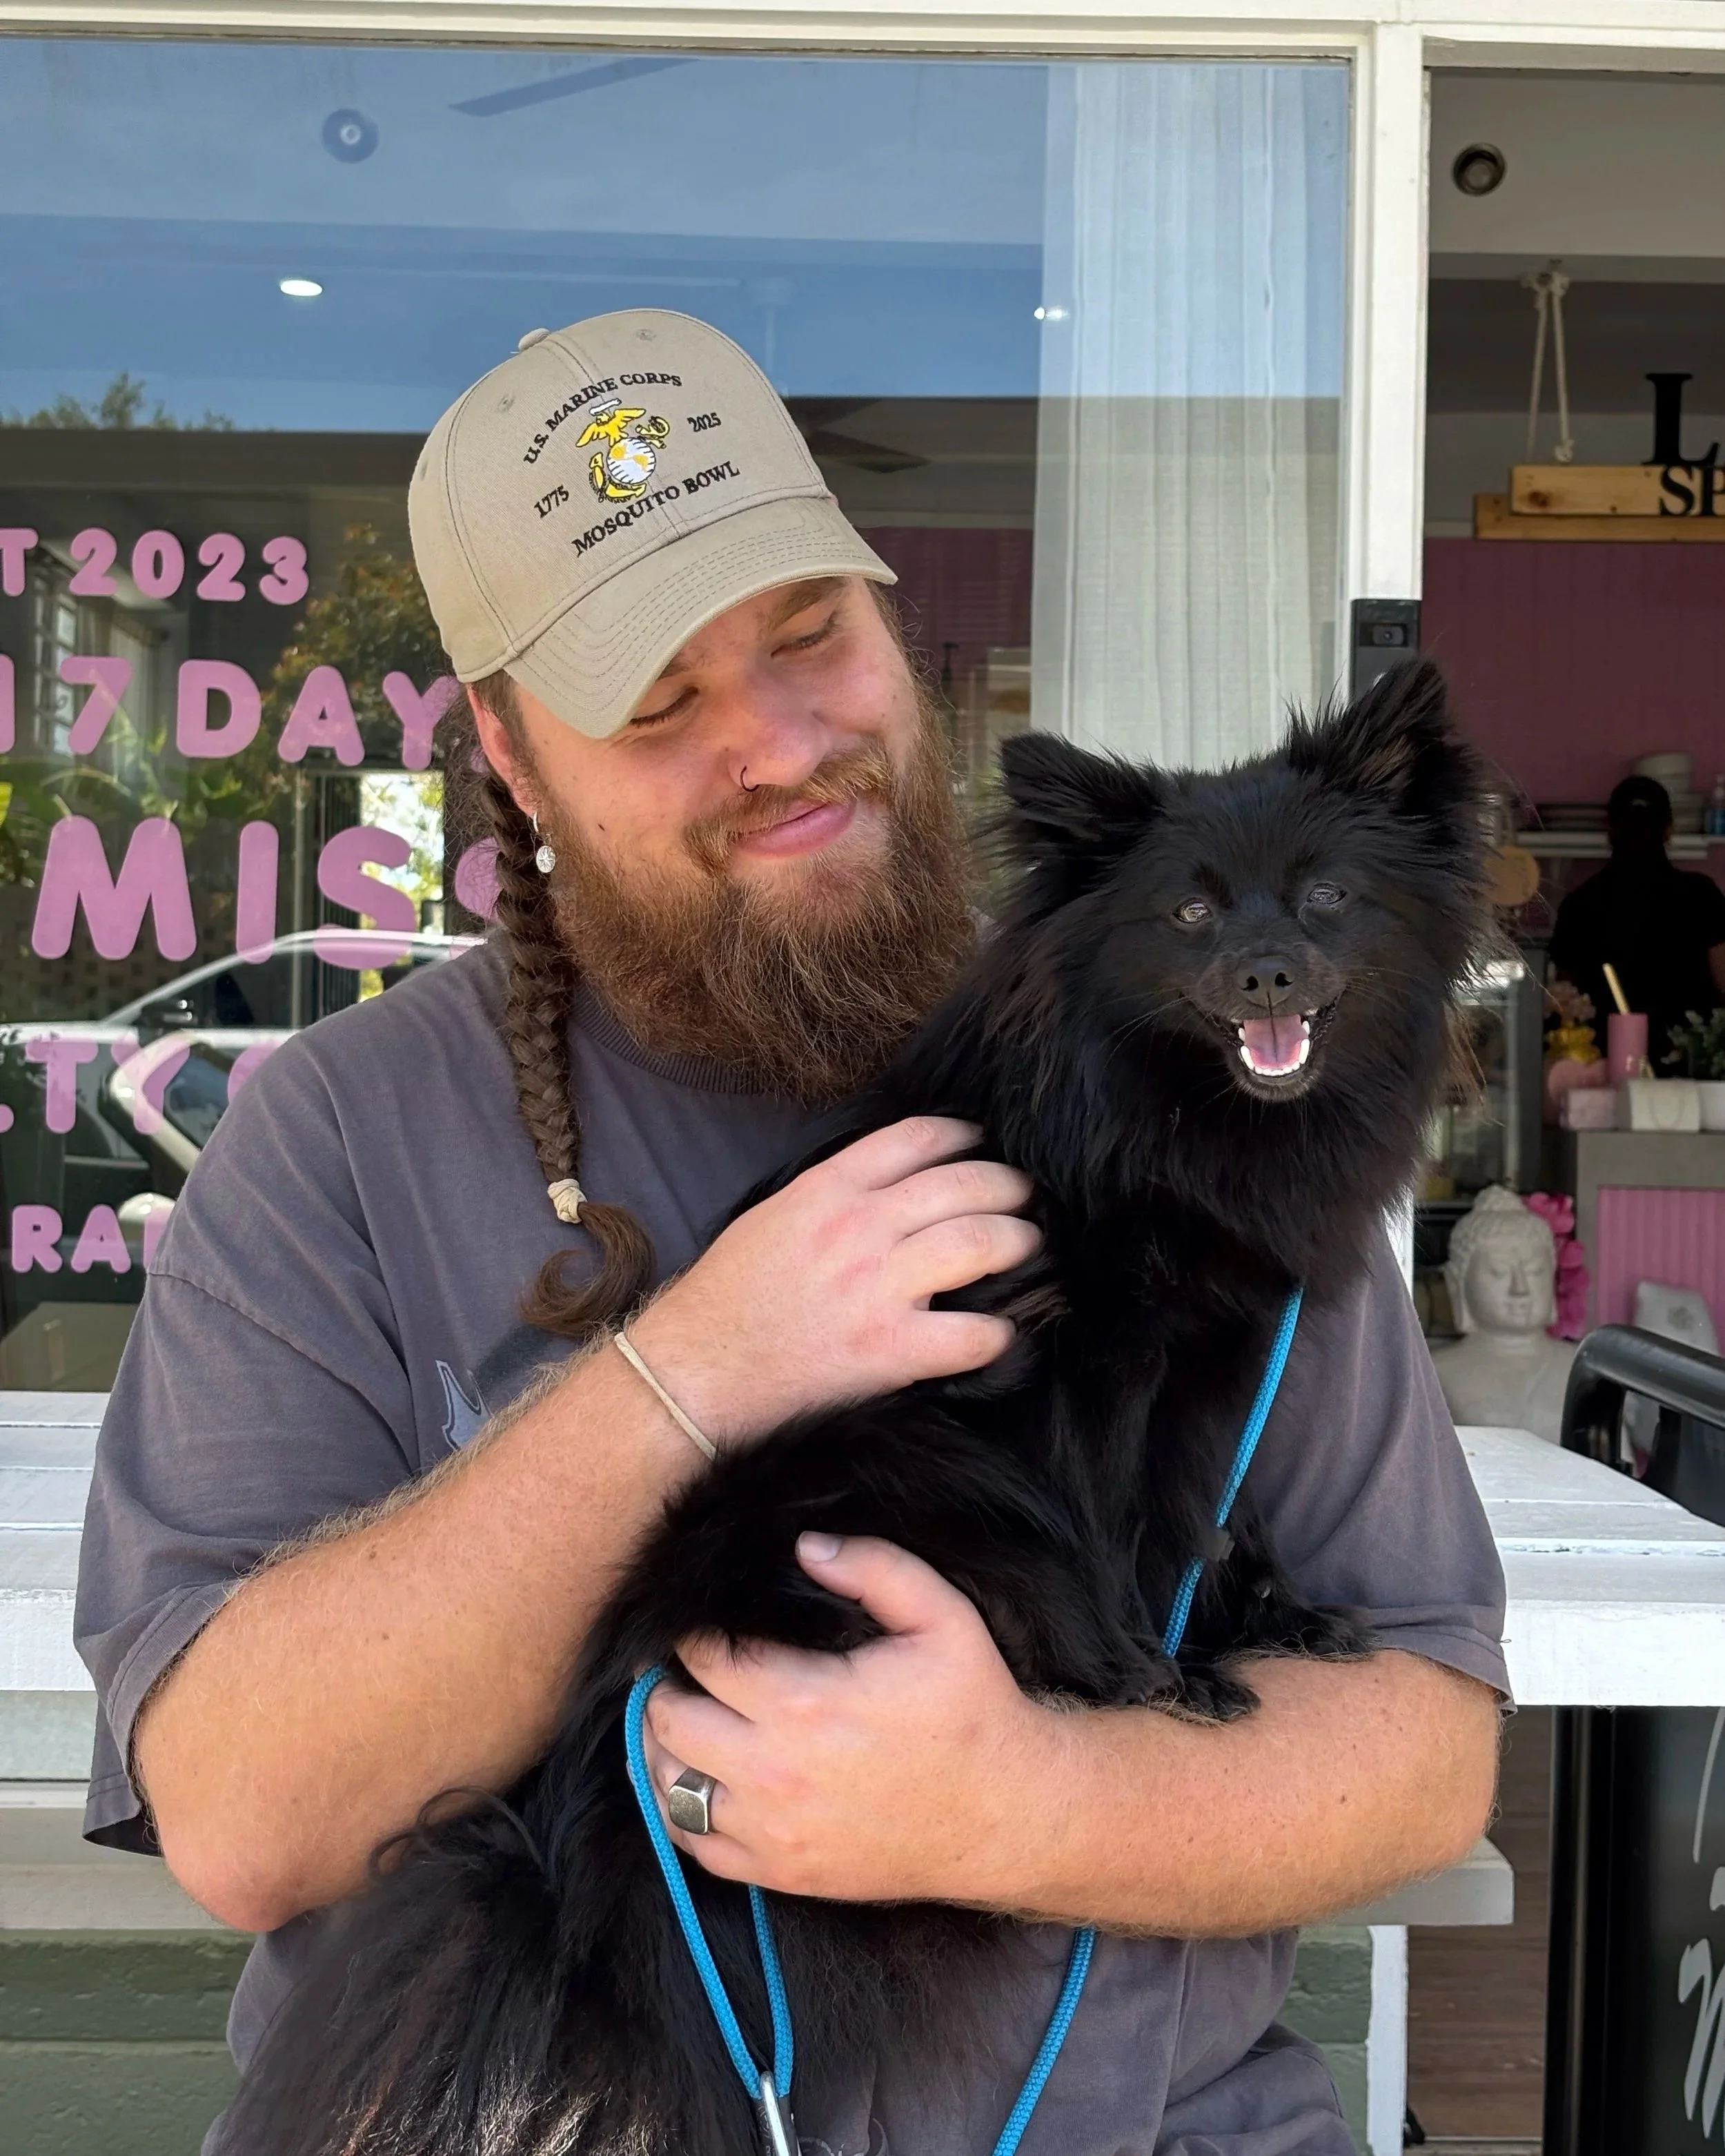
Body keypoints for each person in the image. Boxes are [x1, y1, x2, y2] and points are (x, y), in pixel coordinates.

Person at [75, 311, 1503, 2155]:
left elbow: (1422, 1742)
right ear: (512, 752)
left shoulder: (1192, 1073)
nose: (772, 741)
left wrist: (1021, 1803)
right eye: (656, 703)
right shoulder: (341, 1140)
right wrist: (696, 1375)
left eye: (807, 632)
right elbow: (246, 1814)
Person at [1549, 774, 1725, 1064]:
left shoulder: (1580, 903)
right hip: (1691, 1063)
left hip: (1606, 1065)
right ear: (1669, 830)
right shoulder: (1701, 894)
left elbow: (1565, 1000)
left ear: (1610, 832)